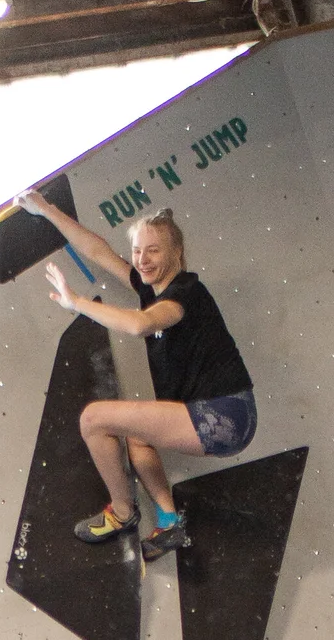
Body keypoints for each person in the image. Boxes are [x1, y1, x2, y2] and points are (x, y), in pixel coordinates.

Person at [21, 192, 256, 561]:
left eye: (154, 251)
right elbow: (98, 252)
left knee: (94, 420)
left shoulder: (185, 294)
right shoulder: (149, 287)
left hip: (226, 416)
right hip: (212, 414)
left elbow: (140, 325)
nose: (142, 260)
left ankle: (123, 512)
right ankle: (168, 521)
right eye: (137, 251)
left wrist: (76, 303)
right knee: (137, 436)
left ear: (176, 253)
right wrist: (46, 209)